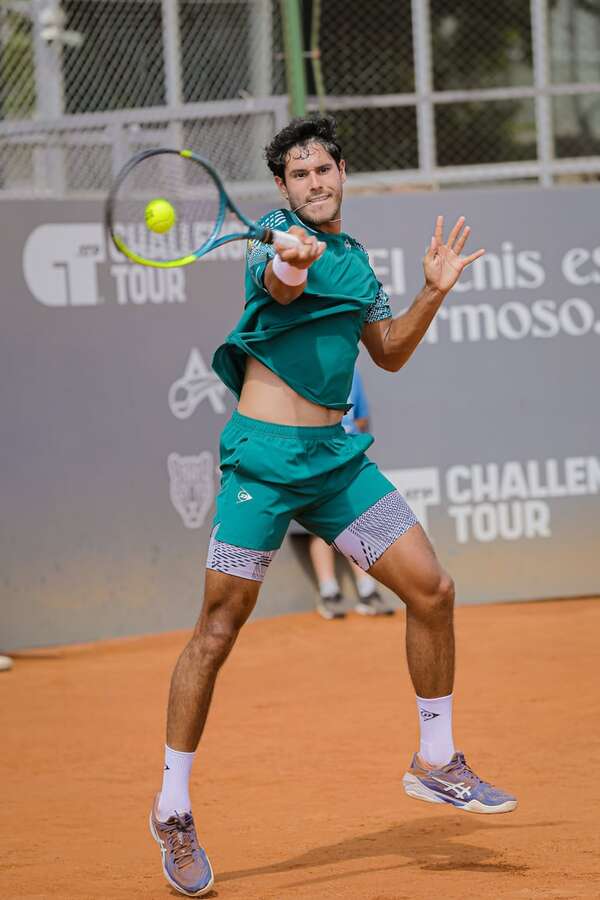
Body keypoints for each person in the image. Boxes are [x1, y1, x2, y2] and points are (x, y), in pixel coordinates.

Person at [149, 116, 517, 898]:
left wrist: (431, 293)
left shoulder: (353, 263)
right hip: (263, 462)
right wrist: (289, 259)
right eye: (299, 174)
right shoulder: (271, 245)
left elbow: (385, 352)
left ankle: (436, 759)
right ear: (281, 188)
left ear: (341, 174)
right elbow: (280, 281)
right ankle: (173, 807)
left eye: (325, 170)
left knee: (432, 588)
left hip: (335, 462)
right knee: (218, 626)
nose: (314, 183)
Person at [306, 367, 395, 618]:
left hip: (346, 457)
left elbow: (362, 418)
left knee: (357, 522)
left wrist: (346, 441)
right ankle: (329, 592)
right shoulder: (304, 366)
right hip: (314, 458)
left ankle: (367, 590)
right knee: (316, 526)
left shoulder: (352, 371)